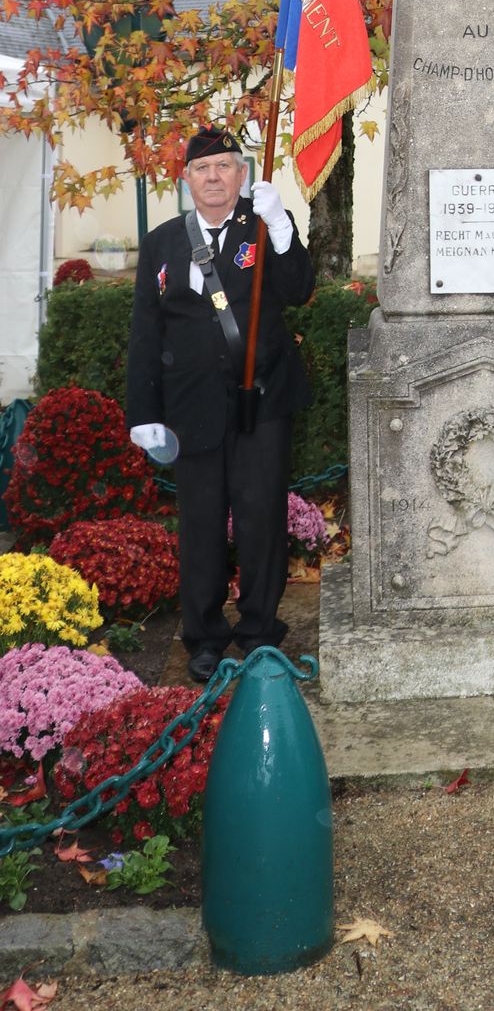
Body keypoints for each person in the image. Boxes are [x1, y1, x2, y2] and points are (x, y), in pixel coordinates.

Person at [126, 128, 315, 682]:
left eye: (225, 166)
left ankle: (258, 631)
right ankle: (204, 636)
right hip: (191, 408)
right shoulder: (162, 242)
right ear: (186, 179)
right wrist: (144, 414)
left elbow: (299, 289)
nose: (213, 177)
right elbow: (146, 332)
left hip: (262, 401)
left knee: (261, 520)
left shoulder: (264, 226)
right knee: (201, 525)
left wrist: (282, 227)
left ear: (242, 175)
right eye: (203, 169)